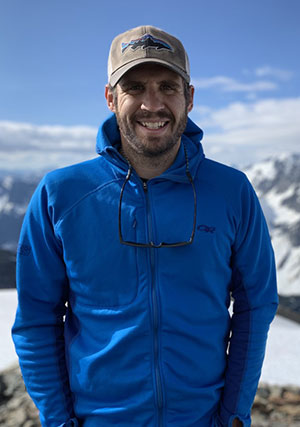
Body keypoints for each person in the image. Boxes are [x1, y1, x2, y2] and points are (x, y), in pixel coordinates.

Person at [12, 25, 278, 427]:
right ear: (110, 97)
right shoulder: (60, 194)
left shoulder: (231, 191)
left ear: (189, 97)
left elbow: (256, 306)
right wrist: (58, 420)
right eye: (135, 87)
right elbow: (36, 318)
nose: (152, 104)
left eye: (168, 86)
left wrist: (235, 414)